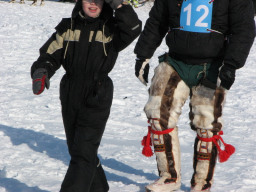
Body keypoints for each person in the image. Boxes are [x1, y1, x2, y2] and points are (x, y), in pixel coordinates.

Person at [134, 0, 255, 191]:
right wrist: (143, 55)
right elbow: (158, 20)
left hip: (212, 67)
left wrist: (231, 64)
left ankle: (202, 182)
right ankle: (169, 177)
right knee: (158, 114)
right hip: (176, 63)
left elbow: (244, 27)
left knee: (207, 125)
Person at [30, 0, 142, 191]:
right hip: (70, 91)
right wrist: (41, 71)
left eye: (98, 0)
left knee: (83, 151)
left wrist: (119, 5)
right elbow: (49, 54)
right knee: (78, 149)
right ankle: (99, 188)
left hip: (98, 92)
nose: (93, 3)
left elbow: (133, 27)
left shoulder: (112, 29)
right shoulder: (67, 28)